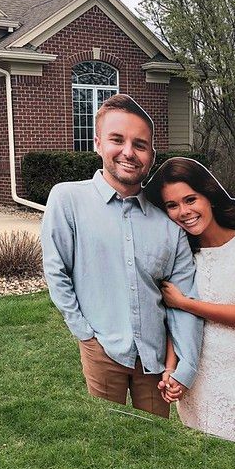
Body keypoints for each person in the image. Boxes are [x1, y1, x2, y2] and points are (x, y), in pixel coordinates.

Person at [40, 96, 203, 418]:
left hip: (155, 361)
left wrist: (185, 363)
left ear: (152, 156)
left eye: (140, 144)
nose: (129, 152)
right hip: (101, 348)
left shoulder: (167, 220)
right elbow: (56, 271)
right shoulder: (68, 199)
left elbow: (185, 299)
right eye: (117, 140)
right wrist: (85, 334)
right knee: (105, 449)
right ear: (98, 143)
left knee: (152, 452)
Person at [144, 157, 235, 453]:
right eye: (172, 206)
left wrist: (188, 303)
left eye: (190, 199)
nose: (184, 212)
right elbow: (175, 321)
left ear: (209, 196)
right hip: (200, 383)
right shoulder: (182, 257)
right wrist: (172, 370)